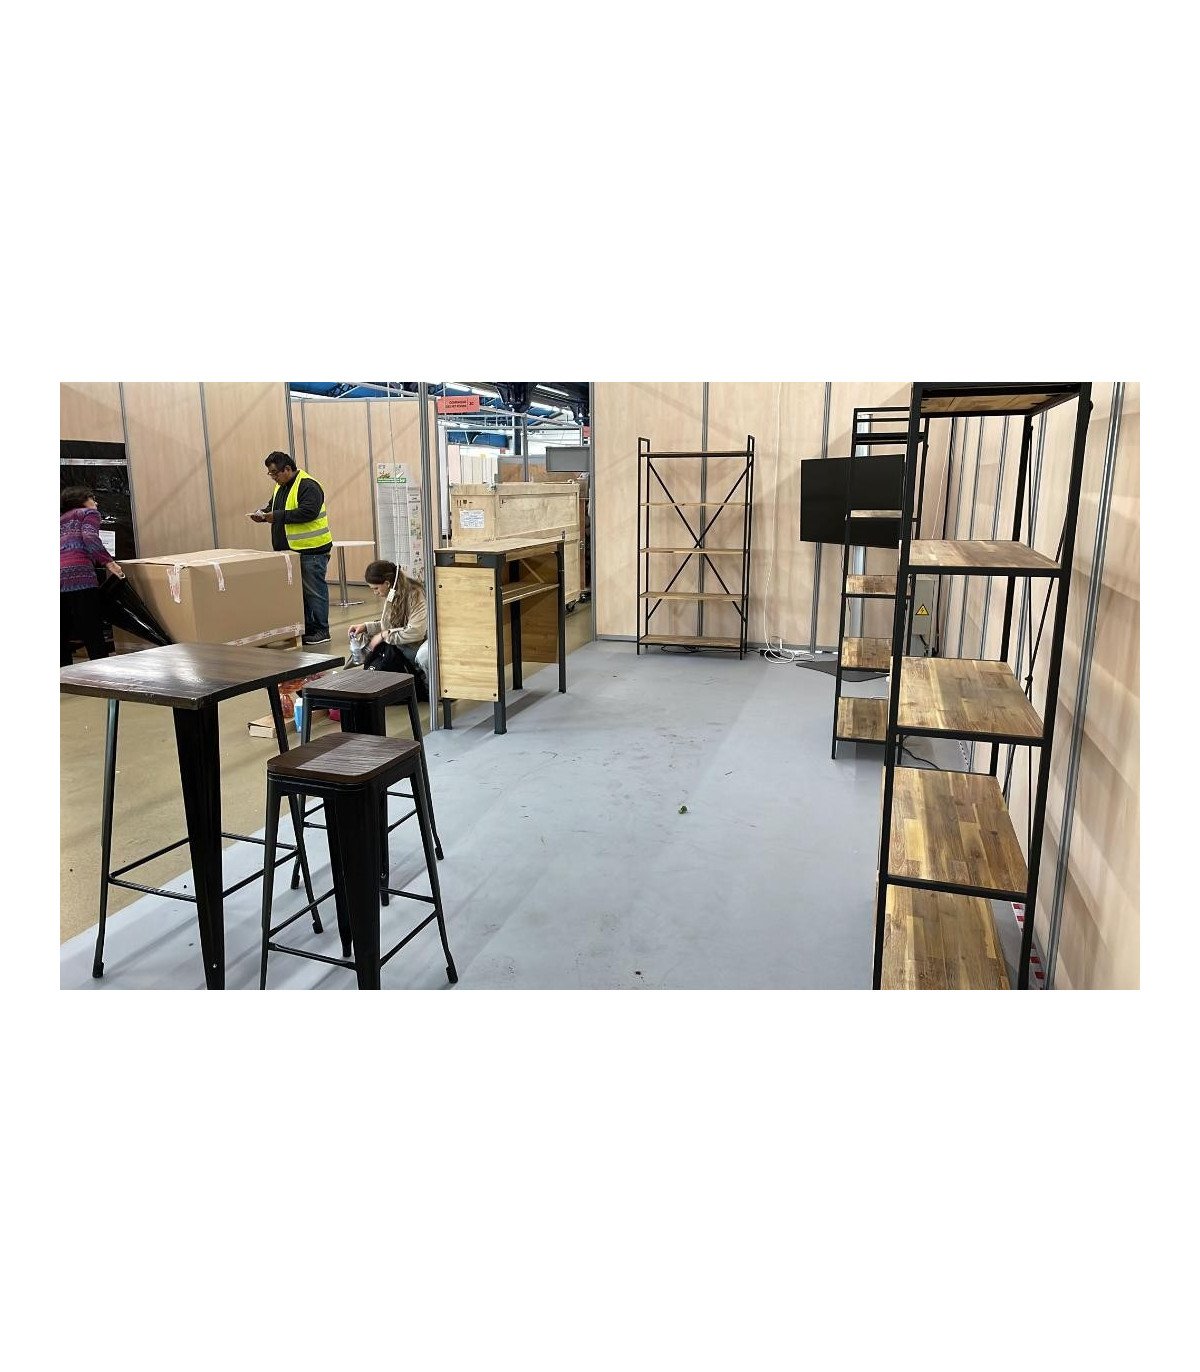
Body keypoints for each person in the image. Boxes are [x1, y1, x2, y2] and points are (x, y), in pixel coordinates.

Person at [250, 451, 333, 645]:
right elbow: (274, 507)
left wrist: (276, 516)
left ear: (287, 469)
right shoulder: (280, 486)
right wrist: (263, 514)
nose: (273, 477)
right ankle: (307, 629)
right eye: (270, 473)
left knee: (314, 592)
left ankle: (322, 630)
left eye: (275, 473)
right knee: (300, 594)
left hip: (311, 551)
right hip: (289, 551)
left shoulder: (308, 485)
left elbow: (308, 512)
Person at [61, 486, 124, 666]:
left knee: (61, 631)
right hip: (80, 576)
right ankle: (101, 671)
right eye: (92, 498)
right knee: (91, 628)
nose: (96, 502)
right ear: (82, 500)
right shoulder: (88, 513)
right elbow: (89, 537)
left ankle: (64, 675)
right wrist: (109, 563)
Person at [350, 559, 430, 697]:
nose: (375, 593)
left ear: (387, 583)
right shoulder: (393, 593)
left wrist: (384, 635)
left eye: (376, 588)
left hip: (422, 642)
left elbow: (416, 632)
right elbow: (389, 625)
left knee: (420, 656)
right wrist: (366, 627)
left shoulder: (416, 594)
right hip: (410, 642)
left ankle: (428, 688)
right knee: (365, 640)